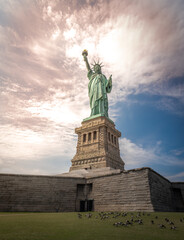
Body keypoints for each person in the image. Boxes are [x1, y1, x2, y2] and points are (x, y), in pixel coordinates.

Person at [82, 50, 112, 118]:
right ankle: (93, 114)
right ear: (94, 69)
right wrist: (86, 60)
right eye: (95, 67)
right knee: (93, 103)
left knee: (101, 101)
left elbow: (107, 88)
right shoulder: (92, 75)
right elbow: (88, 68)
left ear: (100, 69)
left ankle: (102, 112)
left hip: (101, 92)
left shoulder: (103, 76)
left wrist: (109, 81)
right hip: (94, 92)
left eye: (98, 67)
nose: (97, 68)